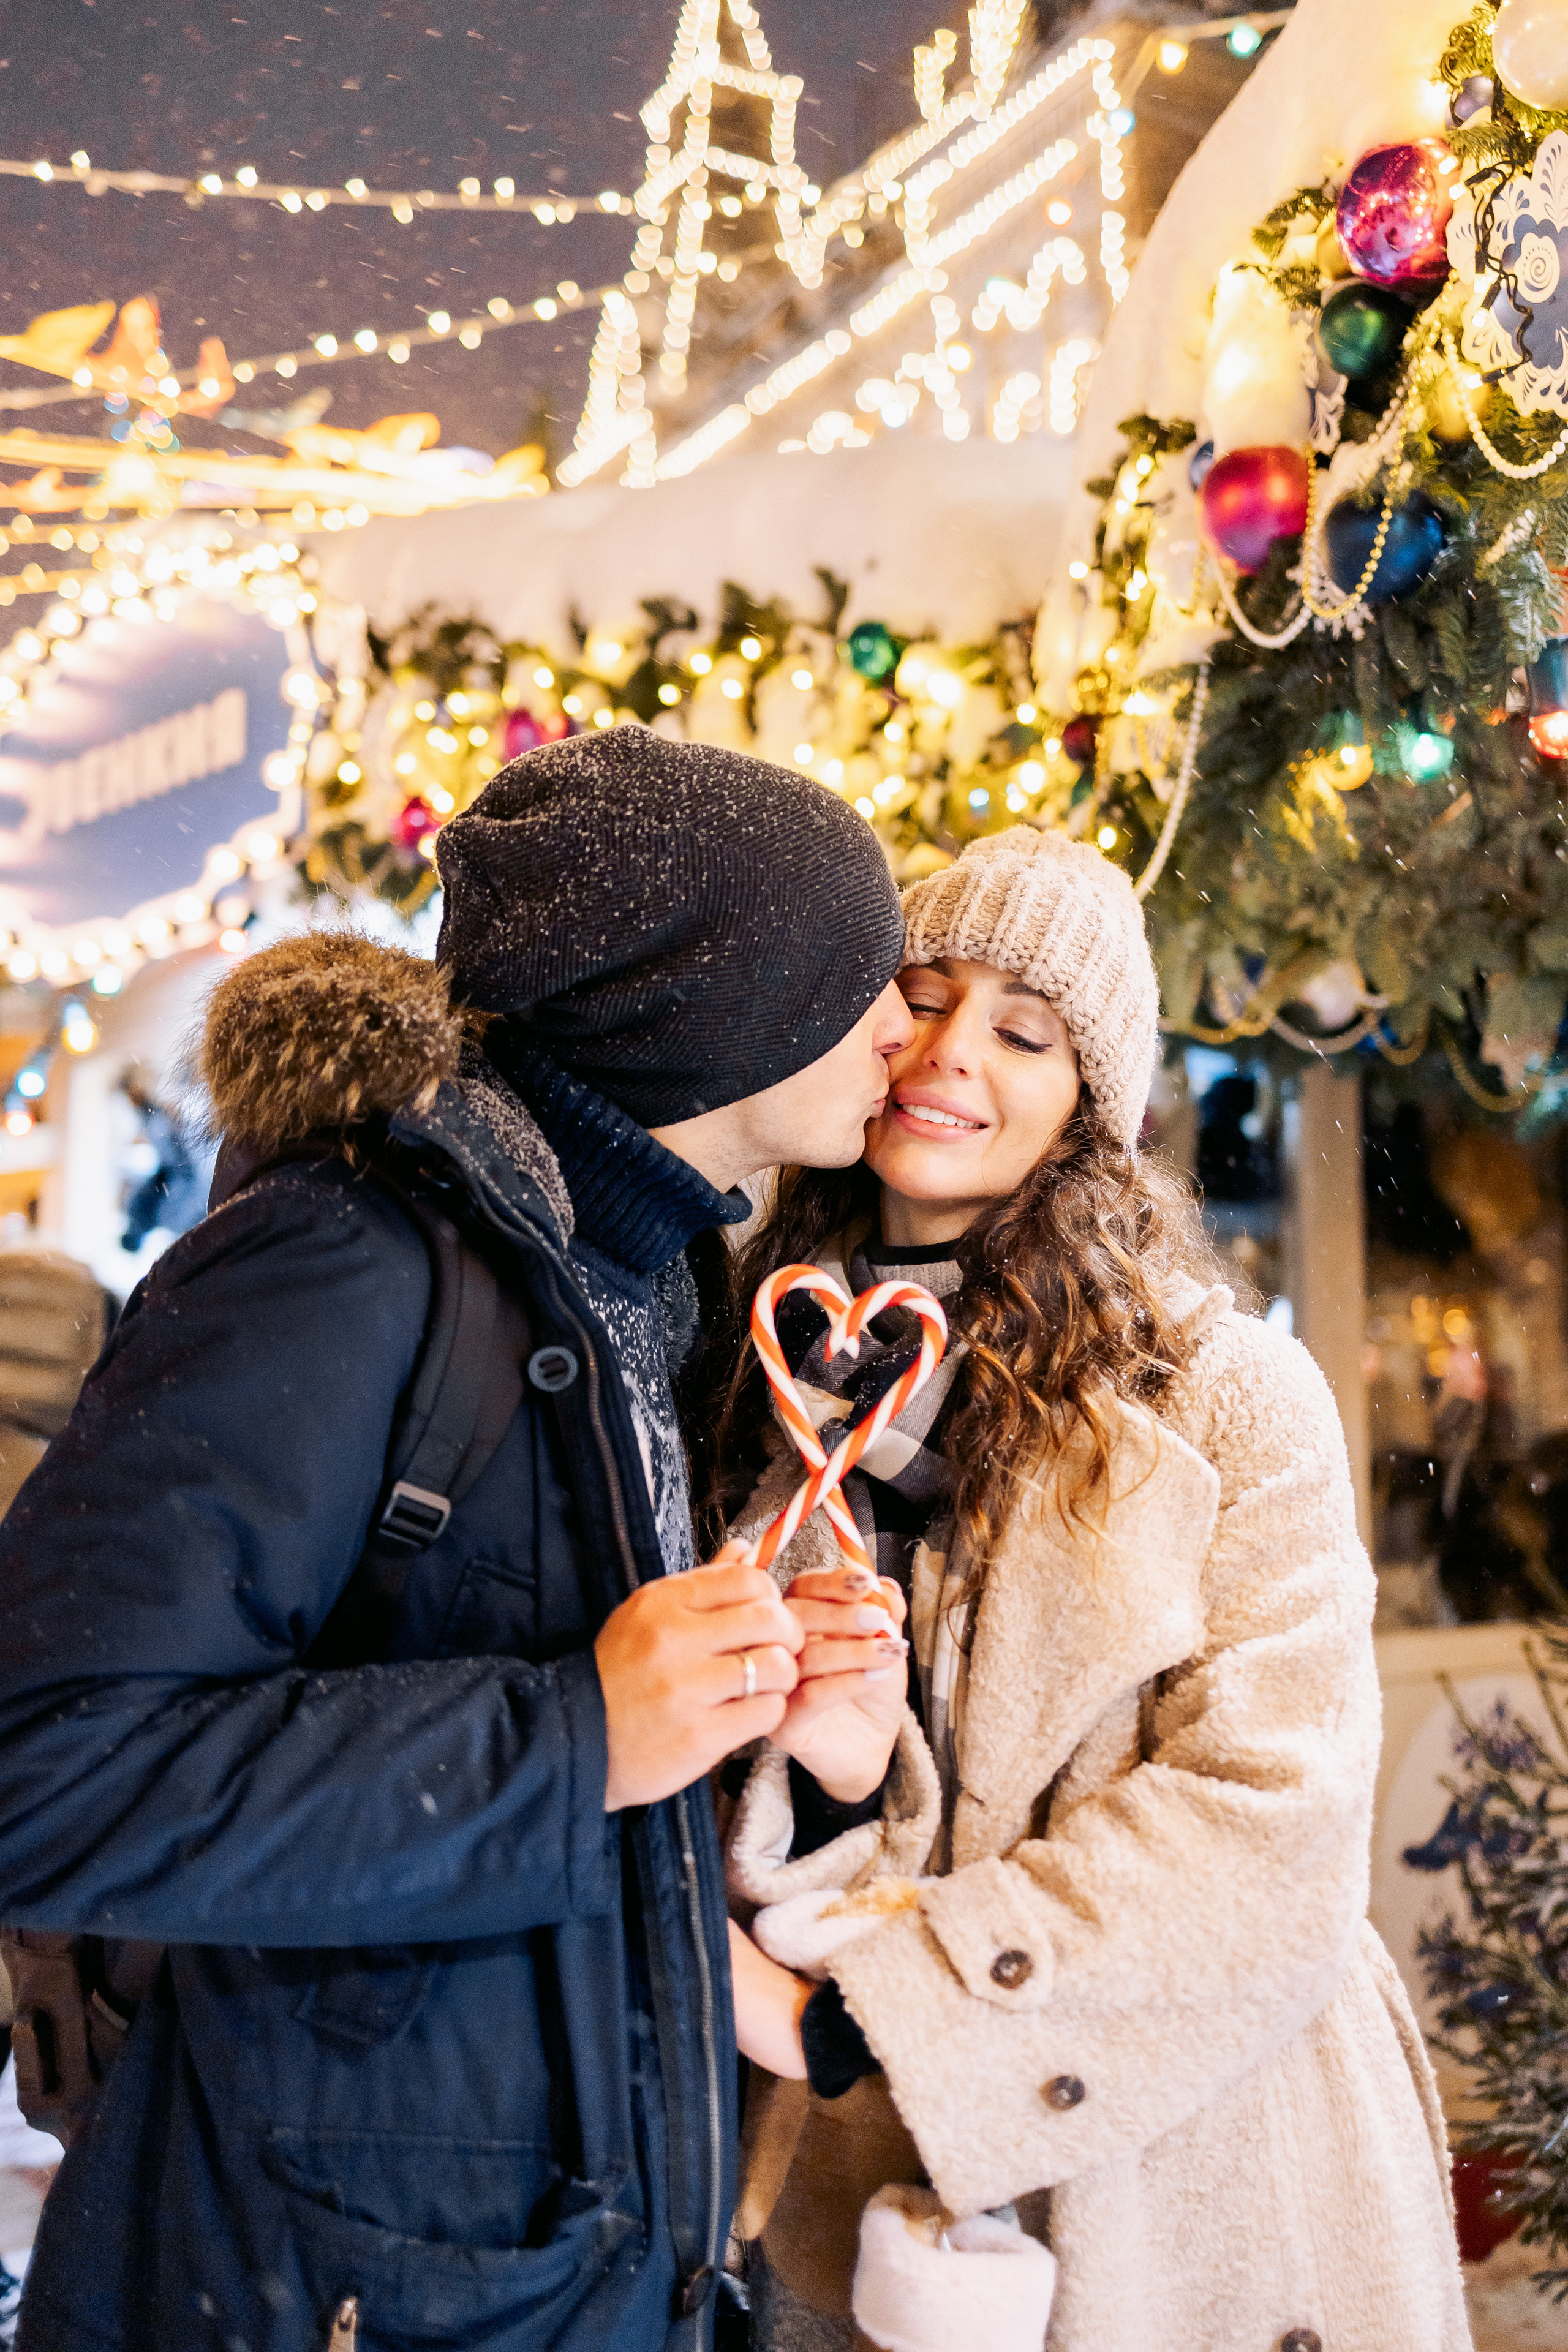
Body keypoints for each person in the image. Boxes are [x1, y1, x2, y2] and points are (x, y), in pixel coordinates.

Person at [0, 728, 916, 2352]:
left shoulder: (653, 1287)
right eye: (860, 978)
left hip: (565, 2266)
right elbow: (45, 1773)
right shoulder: (346, 1260)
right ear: (713, 1003)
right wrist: (579, 1732)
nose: (906, 1027)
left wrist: (766, 1722)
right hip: (318, 2281)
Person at [703, 827, 1471, 2352]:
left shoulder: (1223, 1397)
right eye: (917, 997)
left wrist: (863, 2016)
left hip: (1188, 2169)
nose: (946, 1055)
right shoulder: (753, 1367)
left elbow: (1270, 1819)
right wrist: (830, 1779)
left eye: (1022, 1031)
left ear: (1084, 1110)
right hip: (844, 2188)